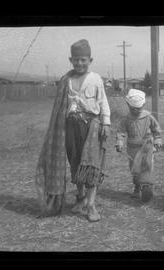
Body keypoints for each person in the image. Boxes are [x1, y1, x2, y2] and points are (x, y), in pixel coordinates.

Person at [35, 39, 111, 222]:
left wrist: (106, 123)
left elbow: (103, 103)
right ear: (71, 59)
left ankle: (91, 205)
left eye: (83, 60)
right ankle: (81, 197)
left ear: (90, 60)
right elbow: (61, 106)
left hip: (92, 126)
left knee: (91, 165)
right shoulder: (66, 80)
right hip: (70, 127)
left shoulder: (96, 79)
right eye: (76, 59)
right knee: (75, 162)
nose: (80, 63)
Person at [115, 89, 162, 202]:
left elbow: (156, 129)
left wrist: (157, 139)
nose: (136, 111)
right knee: (135, 169)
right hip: (132, 148)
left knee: (147, 165)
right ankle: (137, 186)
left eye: (139, 108)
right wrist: (120, 141)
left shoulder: (148, 117)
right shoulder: (126, 119)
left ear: (144, 105)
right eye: (133, 109)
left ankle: (147, 186)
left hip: (147, 146)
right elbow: (121, 131)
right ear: (128, 105)